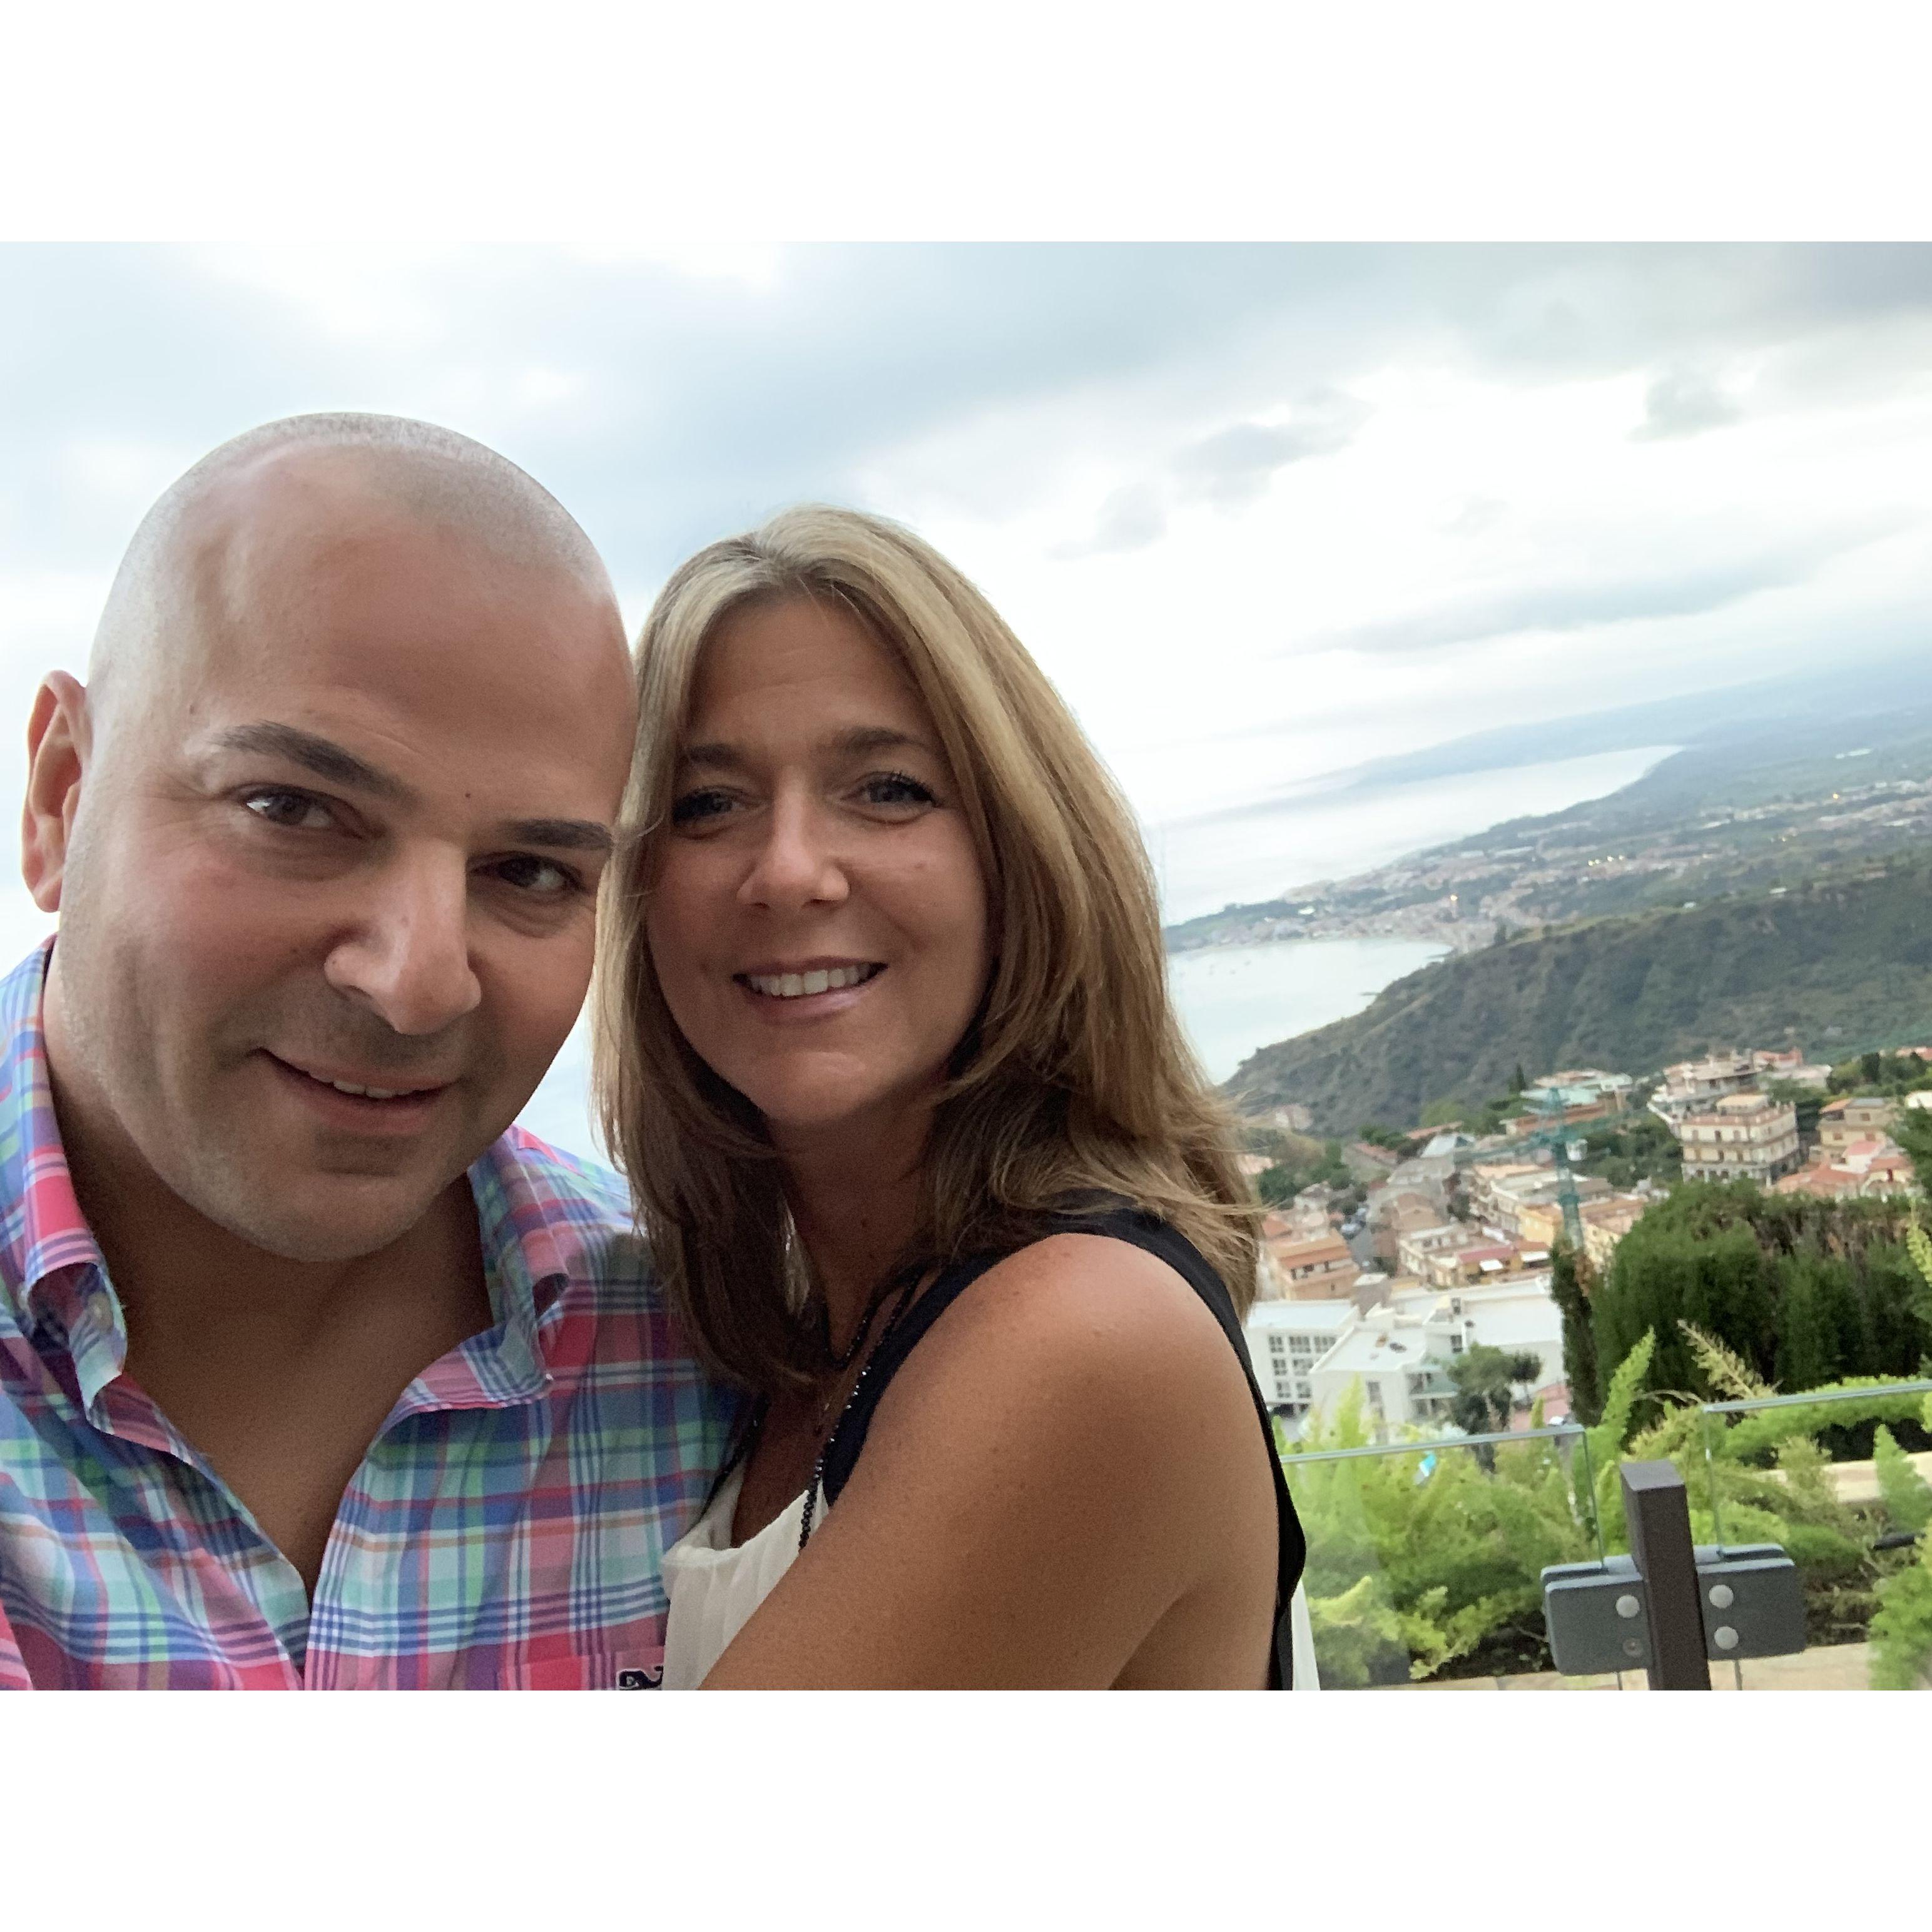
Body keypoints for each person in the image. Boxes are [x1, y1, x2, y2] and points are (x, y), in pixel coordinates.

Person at [0, 414, 738, 1689]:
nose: (416, 983)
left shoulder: (710, 1357)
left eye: (530, 871)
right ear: (62, 797)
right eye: (292, 810)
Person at [596, 505, 1307, 1688]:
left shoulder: (1078, 1341)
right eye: (709, 803)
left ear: (1019, 856)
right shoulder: (800, 1350)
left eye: (887, 788)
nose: (789, 871)